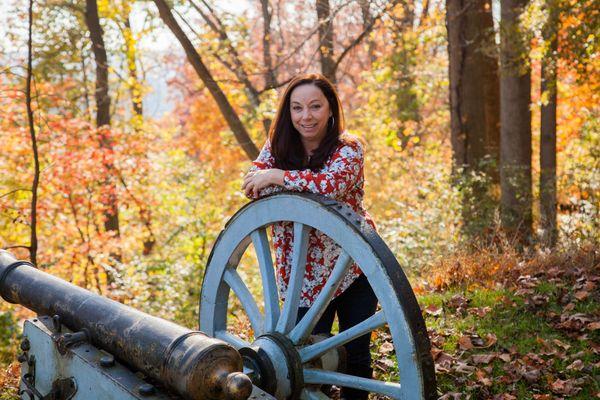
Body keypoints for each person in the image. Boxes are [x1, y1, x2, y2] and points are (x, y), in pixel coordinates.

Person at [242, 73, 378, 399]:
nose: (306, 116)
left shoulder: (349, 149)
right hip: (301, 280)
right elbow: (250, 185)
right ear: (288, 112)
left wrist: (277, 176)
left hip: (351, 268)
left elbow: (329, 185)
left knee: (354, 357)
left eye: (315, 106)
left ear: (331, 109)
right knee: (309, 365)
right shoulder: (277, 147)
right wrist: (274, 176)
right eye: (297, 108)